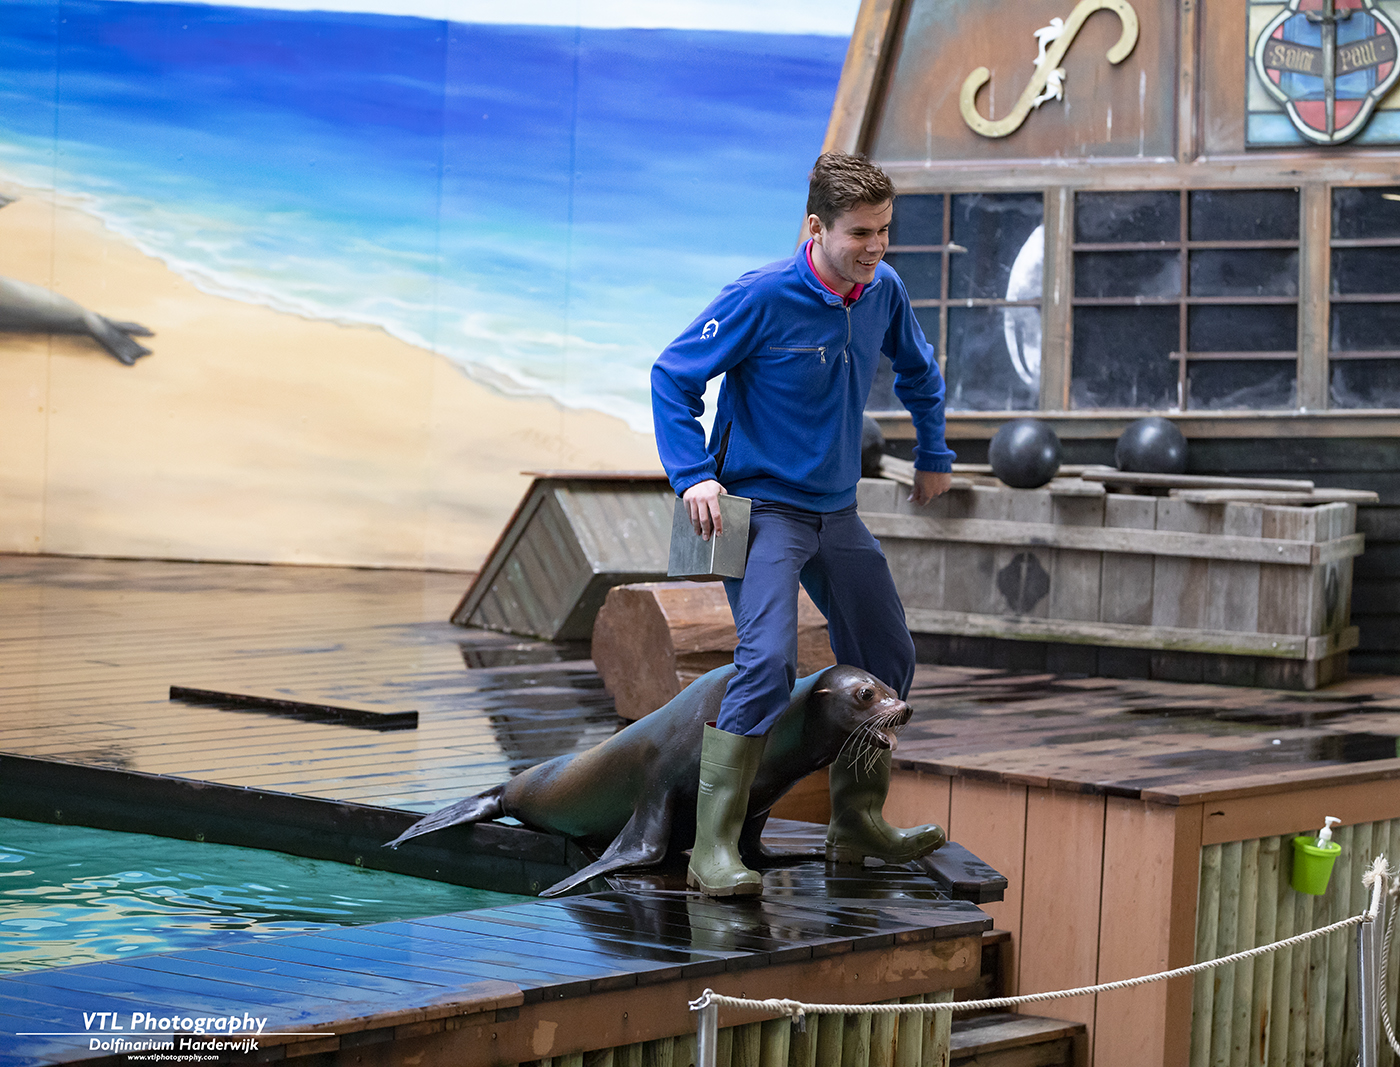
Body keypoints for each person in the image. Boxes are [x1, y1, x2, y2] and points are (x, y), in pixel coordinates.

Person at [650, 151, 955, 897]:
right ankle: (711, 849)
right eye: (860, 233)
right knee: (766, 664)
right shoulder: (761, 296)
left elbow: (920, 373)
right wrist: (694, 475)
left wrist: (933, 453)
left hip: (836, 510)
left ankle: (856, 821)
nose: (876, 248)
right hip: (763, 511)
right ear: (816, 227)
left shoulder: (882, 291)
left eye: (885, 231)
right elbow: (672, 376)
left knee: (888, 655)